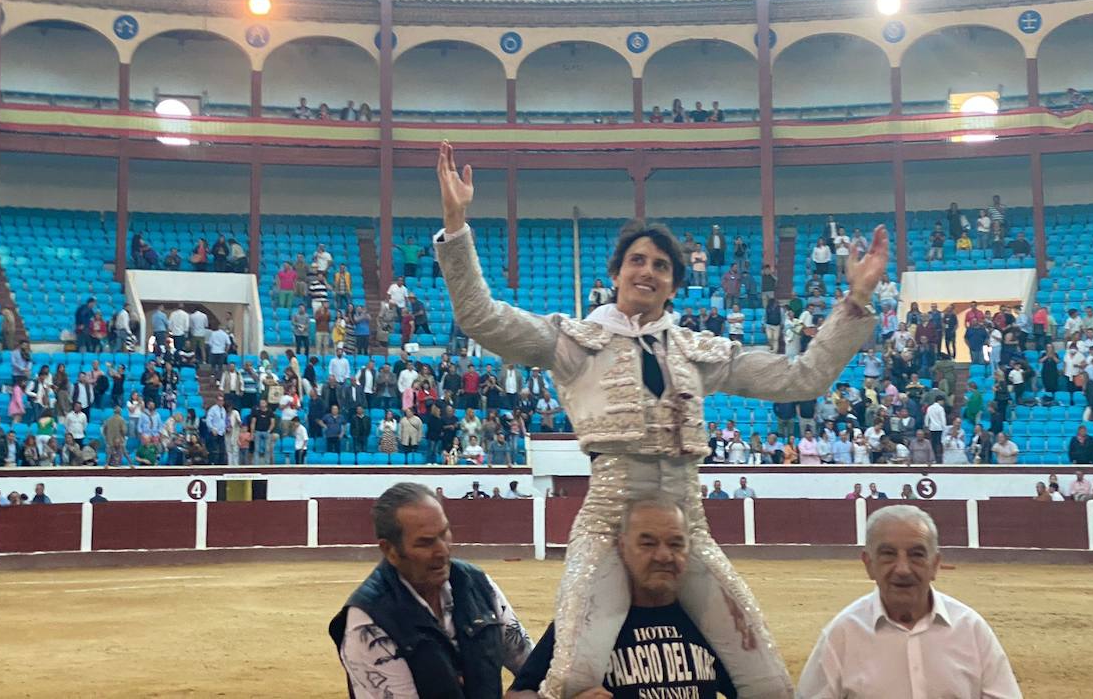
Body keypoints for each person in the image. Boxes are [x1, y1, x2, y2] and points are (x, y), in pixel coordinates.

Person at [434, 141, 883, 698]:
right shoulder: (576, 342)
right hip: (606, 524)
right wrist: (456, 225)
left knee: (767, 680)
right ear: (617, 272)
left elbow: (802, 378)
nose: (648, 271)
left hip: (686, 528)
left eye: (661, 266)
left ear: (674, 284)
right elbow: (482, 318)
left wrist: (856, 300)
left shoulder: (699, 352)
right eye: (638, 261)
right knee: (573, 677)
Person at [509, 496, 738, 698]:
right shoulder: (583, 622)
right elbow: (518, 693)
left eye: (676, 544)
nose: (664, 555)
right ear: (622, 548)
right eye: (647, 543)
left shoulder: (709, 621)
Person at [329, 482, 532, 697]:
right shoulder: (368, 623)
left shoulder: (478, 584)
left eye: (444, 534)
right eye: (425, 543)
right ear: (390, 550)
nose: (442, 550)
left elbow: (528, 661)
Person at [798, 506, 1021, 698]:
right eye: (888, 554)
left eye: (916, 555)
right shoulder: (841, 635)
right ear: (869, 564)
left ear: (935, 564)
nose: (903, 569)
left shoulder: (971, 629)